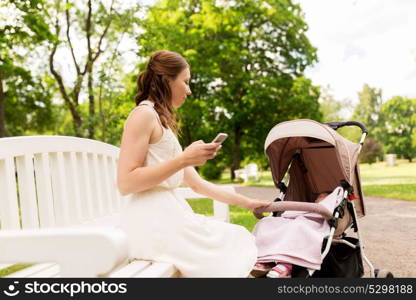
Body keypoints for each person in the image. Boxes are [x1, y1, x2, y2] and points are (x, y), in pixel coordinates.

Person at [116, 50, 270, 277]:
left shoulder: (162, 123)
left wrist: (248, 203)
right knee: (232, 248)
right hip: (150, 222)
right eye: (185, 82)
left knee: (237, 238)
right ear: (167, 80)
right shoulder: (143, 115)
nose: (189, 90)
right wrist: (183, 159)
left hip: (168, 216)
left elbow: (198, 185)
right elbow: (126, 182)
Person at [251, 187, 343, 278]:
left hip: (310, 224)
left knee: (297, 226)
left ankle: (286, 264)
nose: (319, 198)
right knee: (266, 222)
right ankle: (266, 258)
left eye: (325, 196)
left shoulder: (327, 211)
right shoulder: (306, 208)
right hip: (293, 220)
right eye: (319, 196)